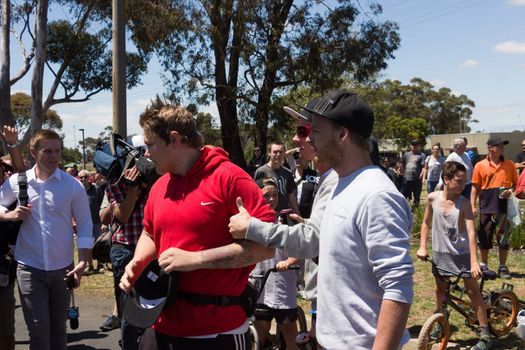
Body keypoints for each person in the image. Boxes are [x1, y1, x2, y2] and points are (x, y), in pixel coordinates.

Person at [229, 90, 414, 349]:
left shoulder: (376, 195)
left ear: (342, 135)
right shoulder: (340, 183)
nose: (306, 138)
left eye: (314, 131)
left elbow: (398, 286)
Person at [119, 99, 276, 350]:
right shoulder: (160, 186)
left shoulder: (230, 178)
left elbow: (266, 248)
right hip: (159, 327)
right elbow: (150, 232)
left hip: (216, 332)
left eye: (150, 145)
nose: (146, 154)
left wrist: (196, 260)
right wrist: (137, 262)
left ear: (174, 139)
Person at [0, 129, 93, 350]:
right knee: (38, 332)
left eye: (57, 151)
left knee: (59, 330)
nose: (54, 156)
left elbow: (85, 224)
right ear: (33, 152)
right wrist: (8, 215)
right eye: (47, 151)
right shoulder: (18, 181)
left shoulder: (72, 185)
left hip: (64, 268)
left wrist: (82, 262)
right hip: (29, 267)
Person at [417, 161, 493, 350]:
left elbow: (471, 232)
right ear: (446, 179)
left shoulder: (464, 203)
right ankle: (441, 323)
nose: (463, 185)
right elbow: (425, 223)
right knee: (440, 291)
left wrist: (474, 262)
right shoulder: (433, 198)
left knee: (472, 292)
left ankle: (485, 334)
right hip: (441, 254)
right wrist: (422, 247)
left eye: (464, 181)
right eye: (459, 181)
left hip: (462, 254)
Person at [251, 177, 300, 350]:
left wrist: (288, 261)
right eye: (266, 196)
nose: (271, 199)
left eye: (274, 195)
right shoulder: (251, 224)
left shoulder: (285, 220)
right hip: (258, 284)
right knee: (259, 336)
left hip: (281, 285)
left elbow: (299, 250)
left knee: (289, 335)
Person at [471, 137, 518, 279]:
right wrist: (472, 206)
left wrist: (511, 190)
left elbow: (515, 184)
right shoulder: (480, 165)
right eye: (499, 146)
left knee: (503, 238)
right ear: (490, 148)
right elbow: (475, 187)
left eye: (502, 146)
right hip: (486, 206)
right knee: (485, 236)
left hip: (504, 207)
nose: (502, 148)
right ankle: (484, 265)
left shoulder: (509, 164)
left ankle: (502, 266)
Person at [0, 126, 26, 350]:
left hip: (3, 272)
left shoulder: (10, 196)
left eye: (7, 170)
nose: (7, 172)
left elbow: (22, 172)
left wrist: (12, 144)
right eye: (4, 168)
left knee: (6, 333)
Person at [254, 141, 300, 214]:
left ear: (284, 153)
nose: (278, 155)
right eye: (275, 152)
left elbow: (291, 196)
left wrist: (297, 214)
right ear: (269, 153)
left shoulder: (288, 173)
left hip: (284, 214)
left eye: (281, 152)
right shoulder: (261, 172)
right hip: (268, 213)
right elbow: (256, 195)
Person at [78, 170, 105, 273]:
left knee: (98, 244)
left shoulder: (96, 189)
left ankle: (100, 264)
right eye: (80, 177)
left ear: (89, 177)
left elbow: (103, 204)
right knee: (87, 245)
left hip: (97, 221)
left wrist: (104, 222)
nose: (83, 179)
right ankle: (90, 266)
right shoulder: (77, 190)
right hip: (84, 223)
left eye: (85, 177)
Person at [401, 139, 426, 209]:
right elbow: (402, 164)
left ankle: (415, 210)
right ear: (410, 145)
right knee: (403, 195)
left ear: (419, 146)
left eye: (416, 144)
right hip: (406, 178)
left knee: (417, 196)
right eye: (413, 144)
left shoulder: (422, 155)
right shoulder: (406, 154)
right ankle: (403, 208)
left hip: (417, 179)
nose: (414, 146)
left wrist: (422, 176)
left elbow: (424, 167)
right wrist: (403, 174)